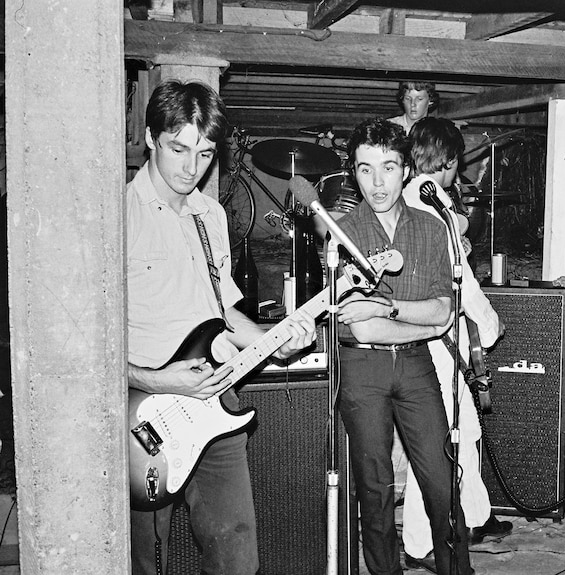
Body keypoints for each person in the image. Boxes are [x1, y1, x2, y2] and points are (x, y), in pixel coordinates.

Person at [127, 79, 316, 575]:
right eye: (178, 149)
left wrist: (277, 343)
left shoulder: (210, 215)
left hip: (215, 404)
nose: (191, 168)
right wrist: (153, 379)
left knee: (237, 551)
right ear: (150, 138)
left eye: (205, 153)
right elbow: (83, 344)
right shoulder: (115, 216)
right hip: (144, 416)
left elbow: (224, 311)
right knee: (148, 560)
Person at [335, 117, 472, 575]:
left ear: (407, 170)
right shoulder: (342, 234)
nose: (378, 182)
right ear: (353, 171)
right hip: (363, 370)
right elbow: (363, 331)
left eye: (389, 167)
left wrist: (388, 309)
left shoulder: (432, 230)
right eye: (365, 168)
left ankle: (459, 570)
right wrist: (420, 320)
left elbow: (444, 314)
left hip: (415, 367)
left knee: (440, 479)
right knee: (374, 489)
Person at [399, 117, 511, 570]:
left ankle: (474, 516)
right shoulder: (432, 206)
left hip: (428, 336)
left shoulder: (416, 199)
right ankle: (420, 544)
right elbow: (460, 281)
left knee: (461, 434)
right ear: (448, 161)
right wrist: (490, 323)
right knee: (439, 443)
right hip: (436, 338)